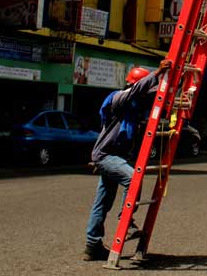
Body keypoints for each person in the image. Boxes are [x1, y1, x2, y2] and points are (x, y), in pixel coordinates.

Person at [83, 58, 172, 261]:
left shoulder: (133, 108)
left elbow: (151, 98)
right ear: (133, 84)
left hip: (114, 157)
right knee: (134, 179)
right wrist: (157, 73)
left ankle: (92, 246)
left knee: (102, 202)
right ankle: (127, 220)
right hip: (106, 156)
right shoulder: (118, 99)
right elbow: (136, 91)